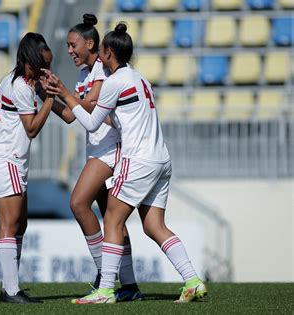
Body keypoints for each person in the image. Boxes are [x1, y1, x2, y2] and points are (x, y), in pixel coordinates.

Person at [43, 23, 207, 304]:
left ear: (107, 52)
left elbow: (92, 123)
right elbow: (113, 117)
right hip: (161, 159)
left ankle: (106, 290)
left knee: (112, 220)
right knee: (154, 225)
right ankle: (192, 280)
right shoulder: (139, 78)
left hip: (138, 160)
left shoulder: (113, 82)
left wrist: (65, 93)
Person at [41, 13, 141, 301]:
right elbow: (73, 114)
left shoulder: (104, 69)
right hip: (97, 150)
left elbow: (92, 106)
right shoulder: (85, 74)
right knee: (114, 221)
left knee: (78, 203)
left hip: (110, 149)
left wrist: (61, 90)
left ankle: (103, 275)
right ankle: (130, 284)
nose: (69, 50)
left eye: (73, 45)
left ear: (90, 43)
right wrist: (45, 93)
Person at [0, 32, 56, 304]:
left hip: (6, 160)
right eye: (40, 65)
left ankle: (10, 286)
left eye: (47, 65)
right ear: (28, 60)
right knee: (10, 225)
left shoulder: (16, 80)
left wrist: (47, 92)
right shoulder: (22, 87)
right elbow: (32, 128)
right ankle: (10, 291)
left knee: (19, 224)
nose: (43, 71)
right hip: (5, 160)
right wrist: (49, 99)